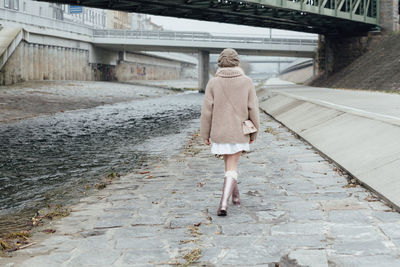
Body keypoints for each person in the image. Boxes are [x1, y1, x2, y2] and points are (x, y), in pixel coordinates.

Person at [200, 48, 260, 216]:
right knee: (232, 166)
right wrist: (254, 133)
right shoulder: (246, 81)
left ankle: (236, 198)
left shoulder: (213, 82)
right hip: (239, 132)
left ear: (220, 62)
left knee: (229, 165)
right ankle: (223, 204)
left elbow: (207, 111)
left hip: (219, 132)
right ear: (237, 62)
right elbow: (253, 109)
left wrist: (205, 134)